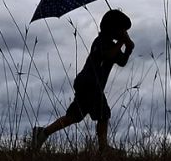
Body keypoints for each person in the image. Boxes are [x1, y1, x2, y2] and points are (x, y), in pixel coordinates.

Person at [30, 9, 133, 152]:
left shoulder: (111, 44)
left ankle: (43, 133)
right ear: (113, 28)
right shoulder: (101, 42)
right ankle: (103, 147)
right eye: (121, 29)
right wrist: (122, 42)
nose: (123, 32)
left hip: (90, 85)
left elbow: (121, 61)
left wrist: (128, 48)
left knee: (74, 116)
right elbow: (108, 55)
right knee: (103, 114)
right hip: (89, 84)